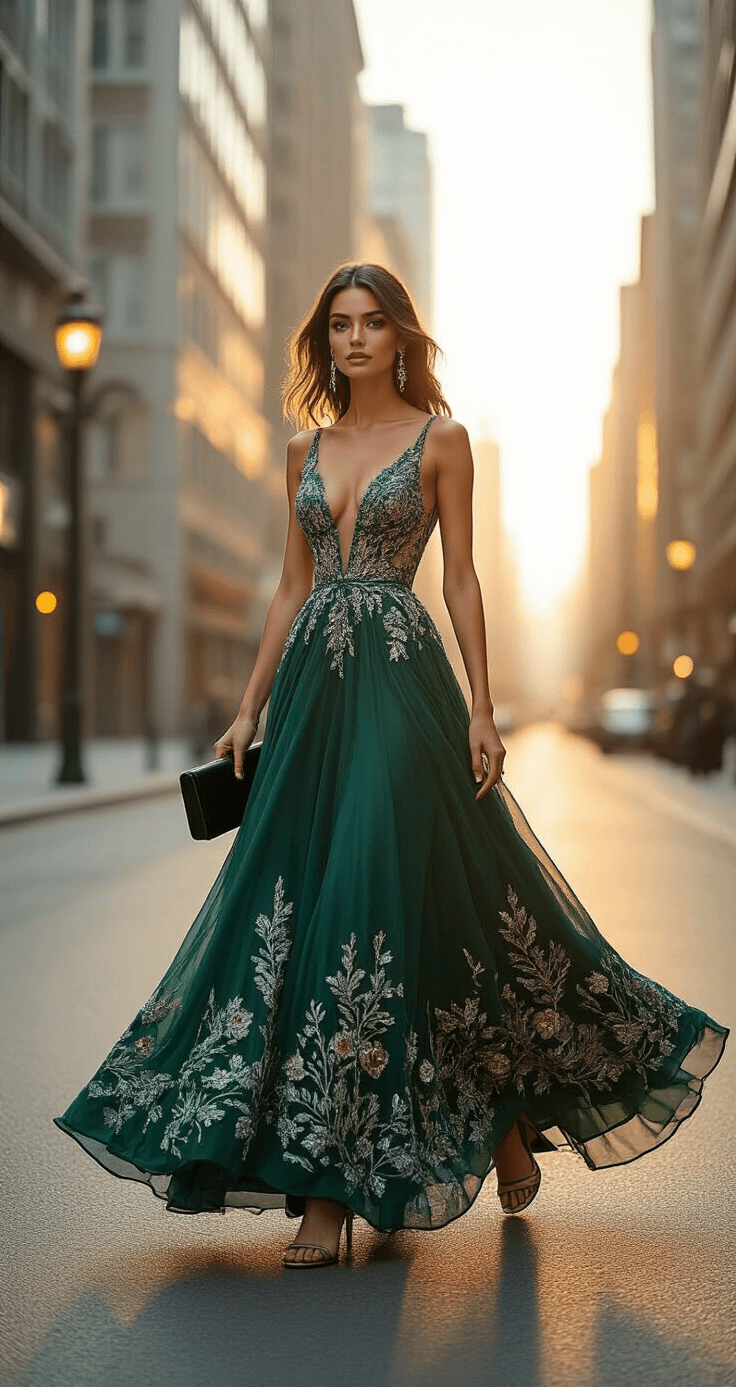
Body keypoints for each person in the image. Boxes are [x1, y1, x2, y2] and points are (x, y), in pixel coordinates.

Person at [55, 263, 728, 1270]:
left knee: (371, 898)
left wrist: (484, 711)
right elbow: (288, 592)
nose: (355, 340)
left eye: (372, 324)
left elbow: (459, 576)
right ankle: (491, 1117)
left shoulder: (442, 440)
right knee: (315, 902)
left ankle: (326, 1194)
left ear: (402, 336)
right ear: (324, 341)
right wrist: (246, 711)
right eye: (339, 326)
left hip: (406, 690)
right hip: (312, 705)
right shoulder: (301, 452)